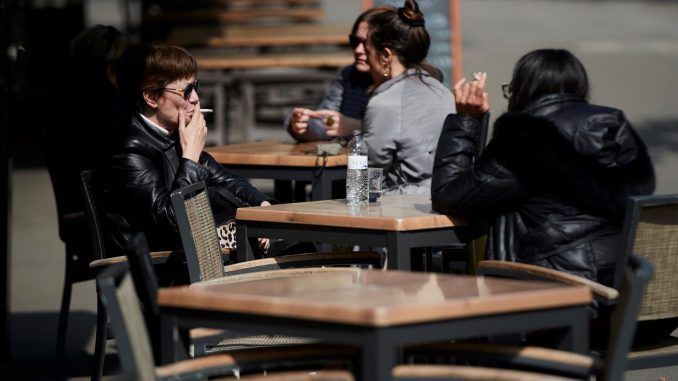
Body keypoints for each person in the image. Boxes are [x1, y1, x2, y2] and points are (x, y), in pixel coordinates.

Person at [431, 49, 655, 287]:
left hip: (553, 288)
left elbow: (449, 195)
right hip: (624, 282)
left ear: (524, 90)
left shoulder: (523, 138)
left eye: (511, 90)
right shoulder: (614, 127)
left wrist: (467, 118)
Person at [103, 43, 275, 255]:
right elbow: (171, 221)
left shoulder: (175, 131)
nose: (194, 97)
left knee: (289, 238)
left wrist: (262, 204)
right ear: (152, 97)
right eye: (185, 90)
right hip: (165, 257)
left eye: (195, 86)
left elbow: (226, 180)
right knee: (291, 246)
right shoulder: (129, 150)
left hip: (197, 244)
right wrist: (191, 158)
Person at [361, 0, 455, 195]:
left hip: (404, 205)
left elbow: (370, 173)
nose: (366, 60)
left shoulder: (386, 103)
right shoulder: (442, 90)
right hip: (448, 196)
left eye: (368, 52)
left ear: (385, 55)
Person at [285, 7, 389, 142]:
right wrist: (303, 125)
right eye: (355, 41)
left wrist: (358, 128)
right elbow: (328, 122)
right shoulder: (349, 76)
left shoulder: (406, 84)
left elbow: (408, 135)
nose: (358, 50)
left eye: (367, 43)